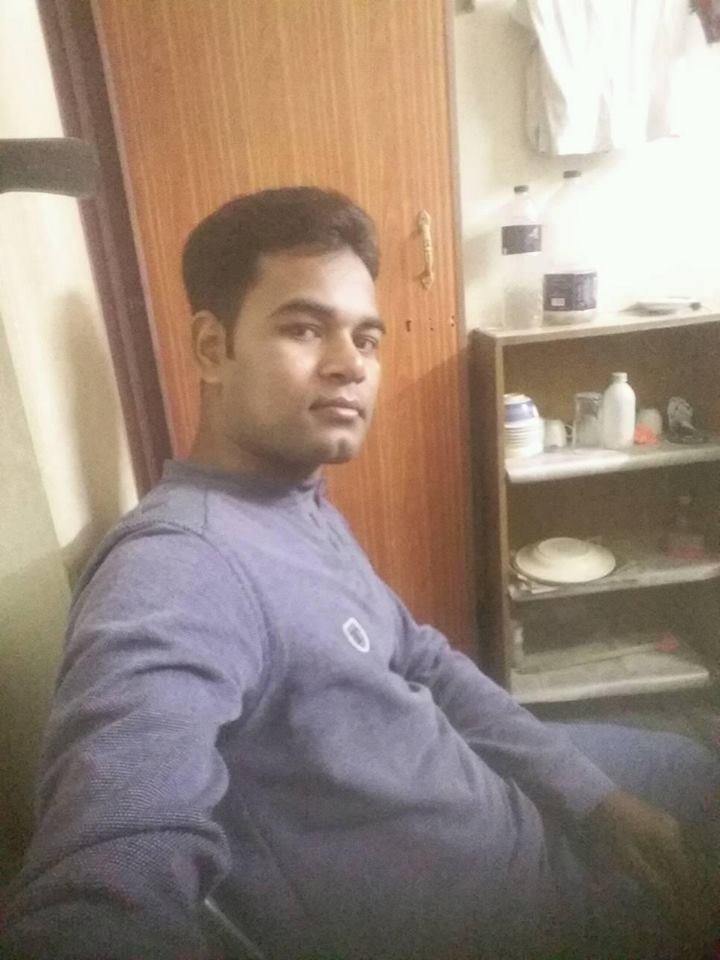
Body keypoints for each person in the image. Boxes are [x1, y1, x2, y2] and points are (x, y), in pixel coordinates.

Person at [2, 187, 718, 960]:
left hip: (504, 805)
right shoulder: (179, 566)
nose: (351, 365)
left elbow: (425, 660)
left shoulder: (294, 500)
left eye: (367, 338)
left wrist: (590, 796)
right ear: (212, 347)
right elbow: (110, 870)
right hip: (516, 914)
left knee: (693, 768)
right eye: (304, 328)